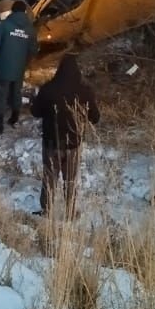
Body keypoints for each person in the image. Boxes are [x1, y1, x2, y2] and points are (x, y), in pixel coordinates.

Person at [29, 53, 100, 217]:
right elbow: (95, 118)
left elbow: (35, 112)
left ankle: (47, 209)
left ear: (59, 71)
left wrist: (35, 99)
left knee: (49, 177)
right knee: (71, 179)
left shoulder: (48, 89)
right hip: (73, 144)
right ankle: (70, 211)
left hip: (51, 142)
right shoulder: (85, 91)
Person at [0, 0, 38, 133]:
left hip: (3, 65)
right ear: (25, 12)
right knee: (16, 91)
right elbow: (33, 50)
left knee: (1, 93)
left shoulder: (4, 25)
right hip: (19, 67)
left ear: (13, 11)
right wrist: (25, 62)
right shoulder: (31, 29)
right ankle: (14, 117)